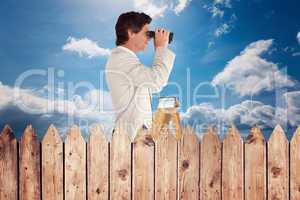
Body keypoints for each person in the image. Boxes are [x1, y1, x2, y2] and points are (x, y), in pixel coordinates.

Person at [105, 11, 176, 140]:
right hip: (129, 140)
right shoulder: (121, 59)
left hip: (135, 139)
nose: (149, 38)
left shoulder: (125, 59)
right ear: (131, 33)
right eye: (146, 33)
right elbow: (156, 80)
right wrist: (161, 49)